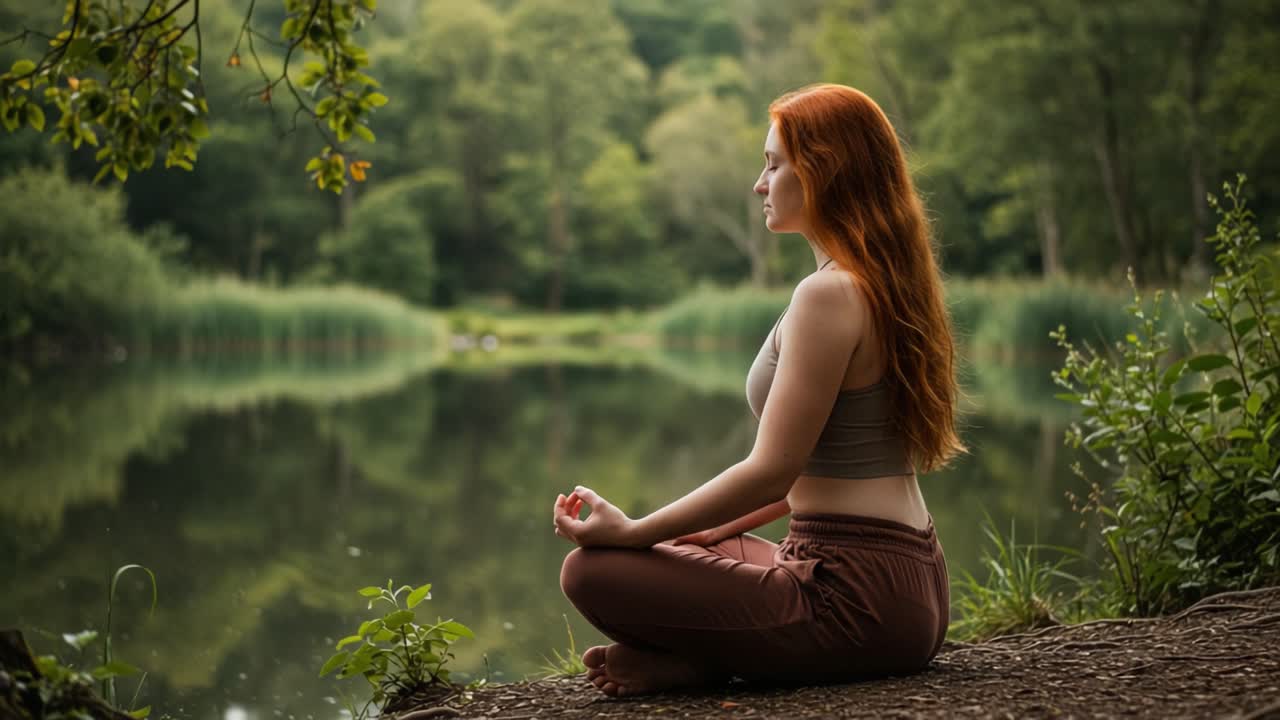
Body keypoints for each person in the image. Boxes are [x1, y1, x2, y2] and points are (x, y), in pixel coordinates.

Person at [552, 83, 965, 698]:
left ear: (824, 172)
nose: (759, 183)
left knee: (593, 571)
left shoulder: (828, 295)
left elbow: (772, 472)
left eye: (773, 164)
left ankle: (706, 664)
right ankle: (704, 661)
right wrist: (691, 534)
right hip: (908, 581)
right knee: (694, 546)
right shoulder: (878, 282)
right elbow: (802, 475)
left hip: (856, 598)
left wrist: (636, 531)